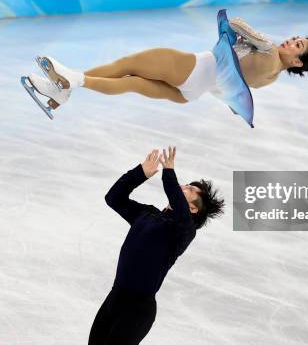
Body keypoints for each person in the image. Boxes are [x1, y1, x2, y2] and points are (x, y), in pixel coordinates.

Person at [21, 10, 308, 122]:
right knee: (131, 82)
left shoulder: (268, 50)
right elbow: (233, 95)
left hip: (196, 67)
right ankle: (67, 88)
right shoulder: (271, 79)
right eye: (295, 38)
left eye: (297, 46)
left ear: (296, 61)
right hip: (193, 92)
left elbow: (235, 23)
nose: (291, 41)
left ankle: (69, 82)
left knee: (128, 64)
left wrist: (248, 36)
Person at [88, 147, 224, 345]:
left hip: (137, 311)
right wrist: (140, 173)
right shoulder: (146, 214)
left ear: (193, 209)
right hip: (113, 300)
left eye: (191, 190)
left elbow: (176, 199)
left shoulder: (183, 231)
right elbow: (113, 198)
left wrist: (169, 173)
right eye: (187, 185)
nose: (184, 186)